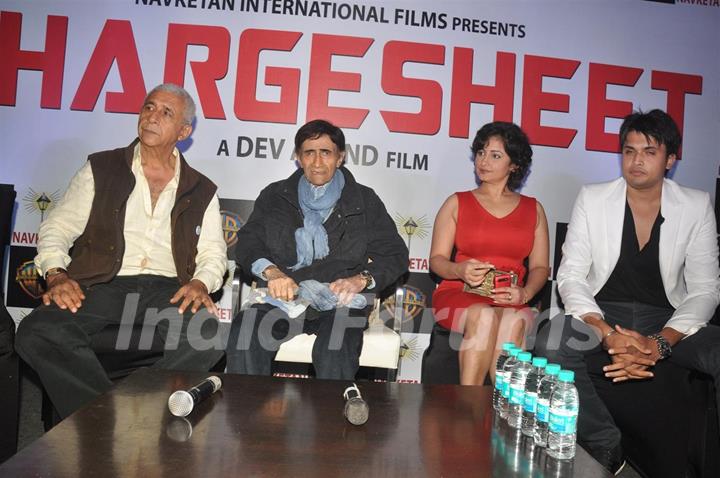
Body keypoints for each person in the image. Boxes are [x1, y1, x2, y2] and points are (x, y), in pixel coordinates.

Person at [15, 83, 227, 419]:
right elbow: (57, 227)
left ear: (184, 131)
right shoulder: (101, 168)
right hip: (103, 282)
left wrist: (201, 283)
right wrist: (56, 273)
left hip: (168, 289)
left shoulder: (201, 188)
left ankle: (153, 414)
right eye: (148, 107)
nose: (151, 117)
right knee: (36, 331)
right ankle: (103, 419)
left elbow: (214, 253)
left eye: (165, 113)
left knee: (208, 336)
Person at [534, 109, 720, 474]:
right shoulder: (593, 197)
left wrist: (661, 343)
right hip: (601, 313)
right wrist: (604, 333)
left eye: (649, 152)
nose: (636, 161)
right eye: (629, 150)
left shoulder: (696, 205)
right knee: (550, 342)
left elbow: (705, 290)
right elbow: (571, 276)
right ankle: (605, 442)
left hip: (668, 317)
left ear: (670, 160)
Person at [226, 119, 408, 380]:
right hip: (285, 297)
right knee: (246, 332)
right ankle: (249, 416)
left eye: (326, 152)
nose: (317, 161)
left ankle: (330, 420)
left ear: (340, 157)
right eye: (309, 152)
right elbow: (248, 242)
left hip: (341, 301)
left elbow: (395, 254)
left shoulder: (364, 200)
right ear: (298, 158)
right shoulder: (275, 196)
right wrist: (271, 272)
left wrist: (361, 280)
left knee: (335, 348)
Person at [429, 121, 549, 386]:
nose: (484, 161)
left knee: (513, 320)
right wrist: (458, 270)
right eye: (481, 152)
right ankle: (468, 406)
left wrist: (526, 293)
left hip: (513, 297)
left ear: (514, 164)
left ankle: (501, 415)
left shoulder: (534, 209)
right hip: (459, 293)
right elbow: (437, 260)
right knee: (483, 315)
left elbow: (541, 267)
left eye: (495, 155)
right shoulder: (456, 202)